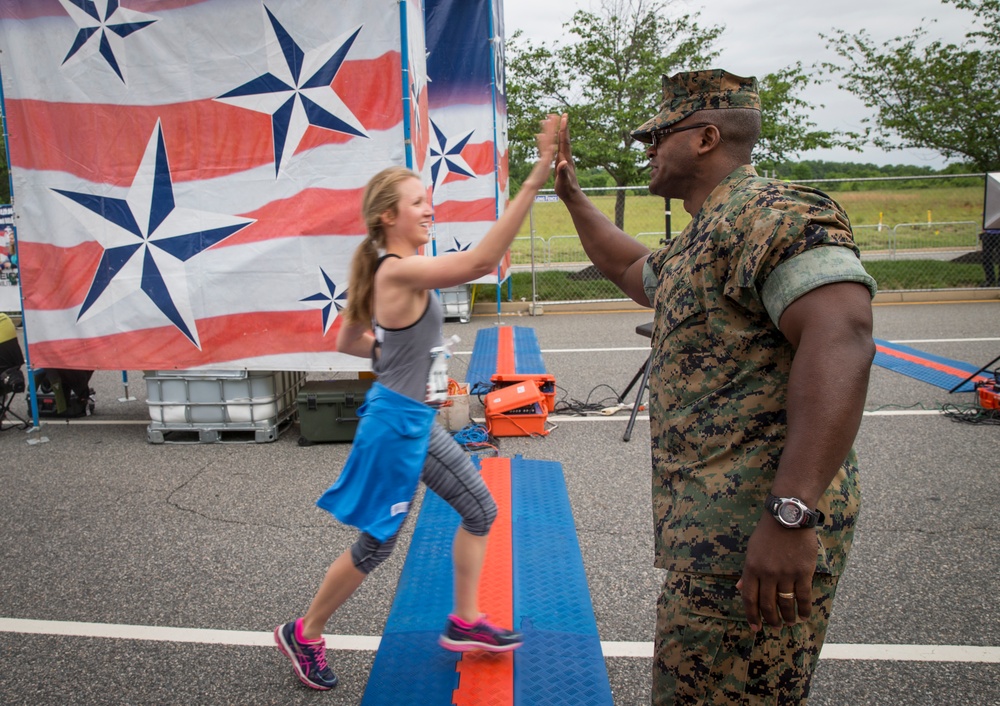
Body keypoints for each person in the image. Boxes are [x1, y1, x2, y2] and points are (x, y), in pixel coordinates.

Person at [554, 70, 877, 704]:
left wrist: (791, 514)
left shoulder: (774, 213)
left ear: (705, 137)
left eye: (658, 135)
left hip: (759, 537)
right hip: (715, 545)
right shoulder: (704, 238)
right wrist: (571, 196)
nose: (647, 148)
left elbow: (842, 335)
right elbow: (626, 264)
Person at [274, 114, 560, 691]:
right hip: (396, 427)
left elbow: (347, 340)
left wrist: (390, 351)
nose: (430, 209)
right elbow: (480, 265)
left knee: (479, 511)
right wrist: (534, 180)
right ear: (388, 216)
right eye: (418, 202)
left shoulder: (386, 273)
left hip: (410, 419)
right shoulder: (399, 272)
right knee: (377, 544)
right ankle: (304, 632)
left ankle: (465, 621)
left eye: (430, 200)